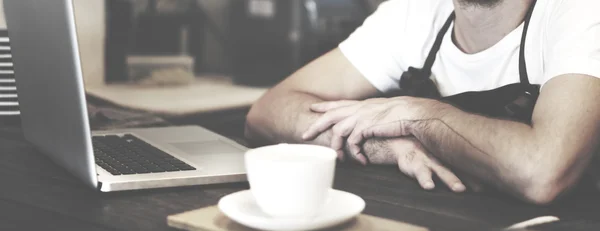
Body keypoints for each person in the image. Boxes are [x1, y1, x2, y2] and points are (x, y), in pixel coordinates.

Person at [244, 0, 600, 205]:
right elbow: (268, 113)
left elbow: (542, 172)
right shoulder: (414, 12)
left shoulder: (580, 12)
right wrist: (393, 145)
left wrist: (418, 114)